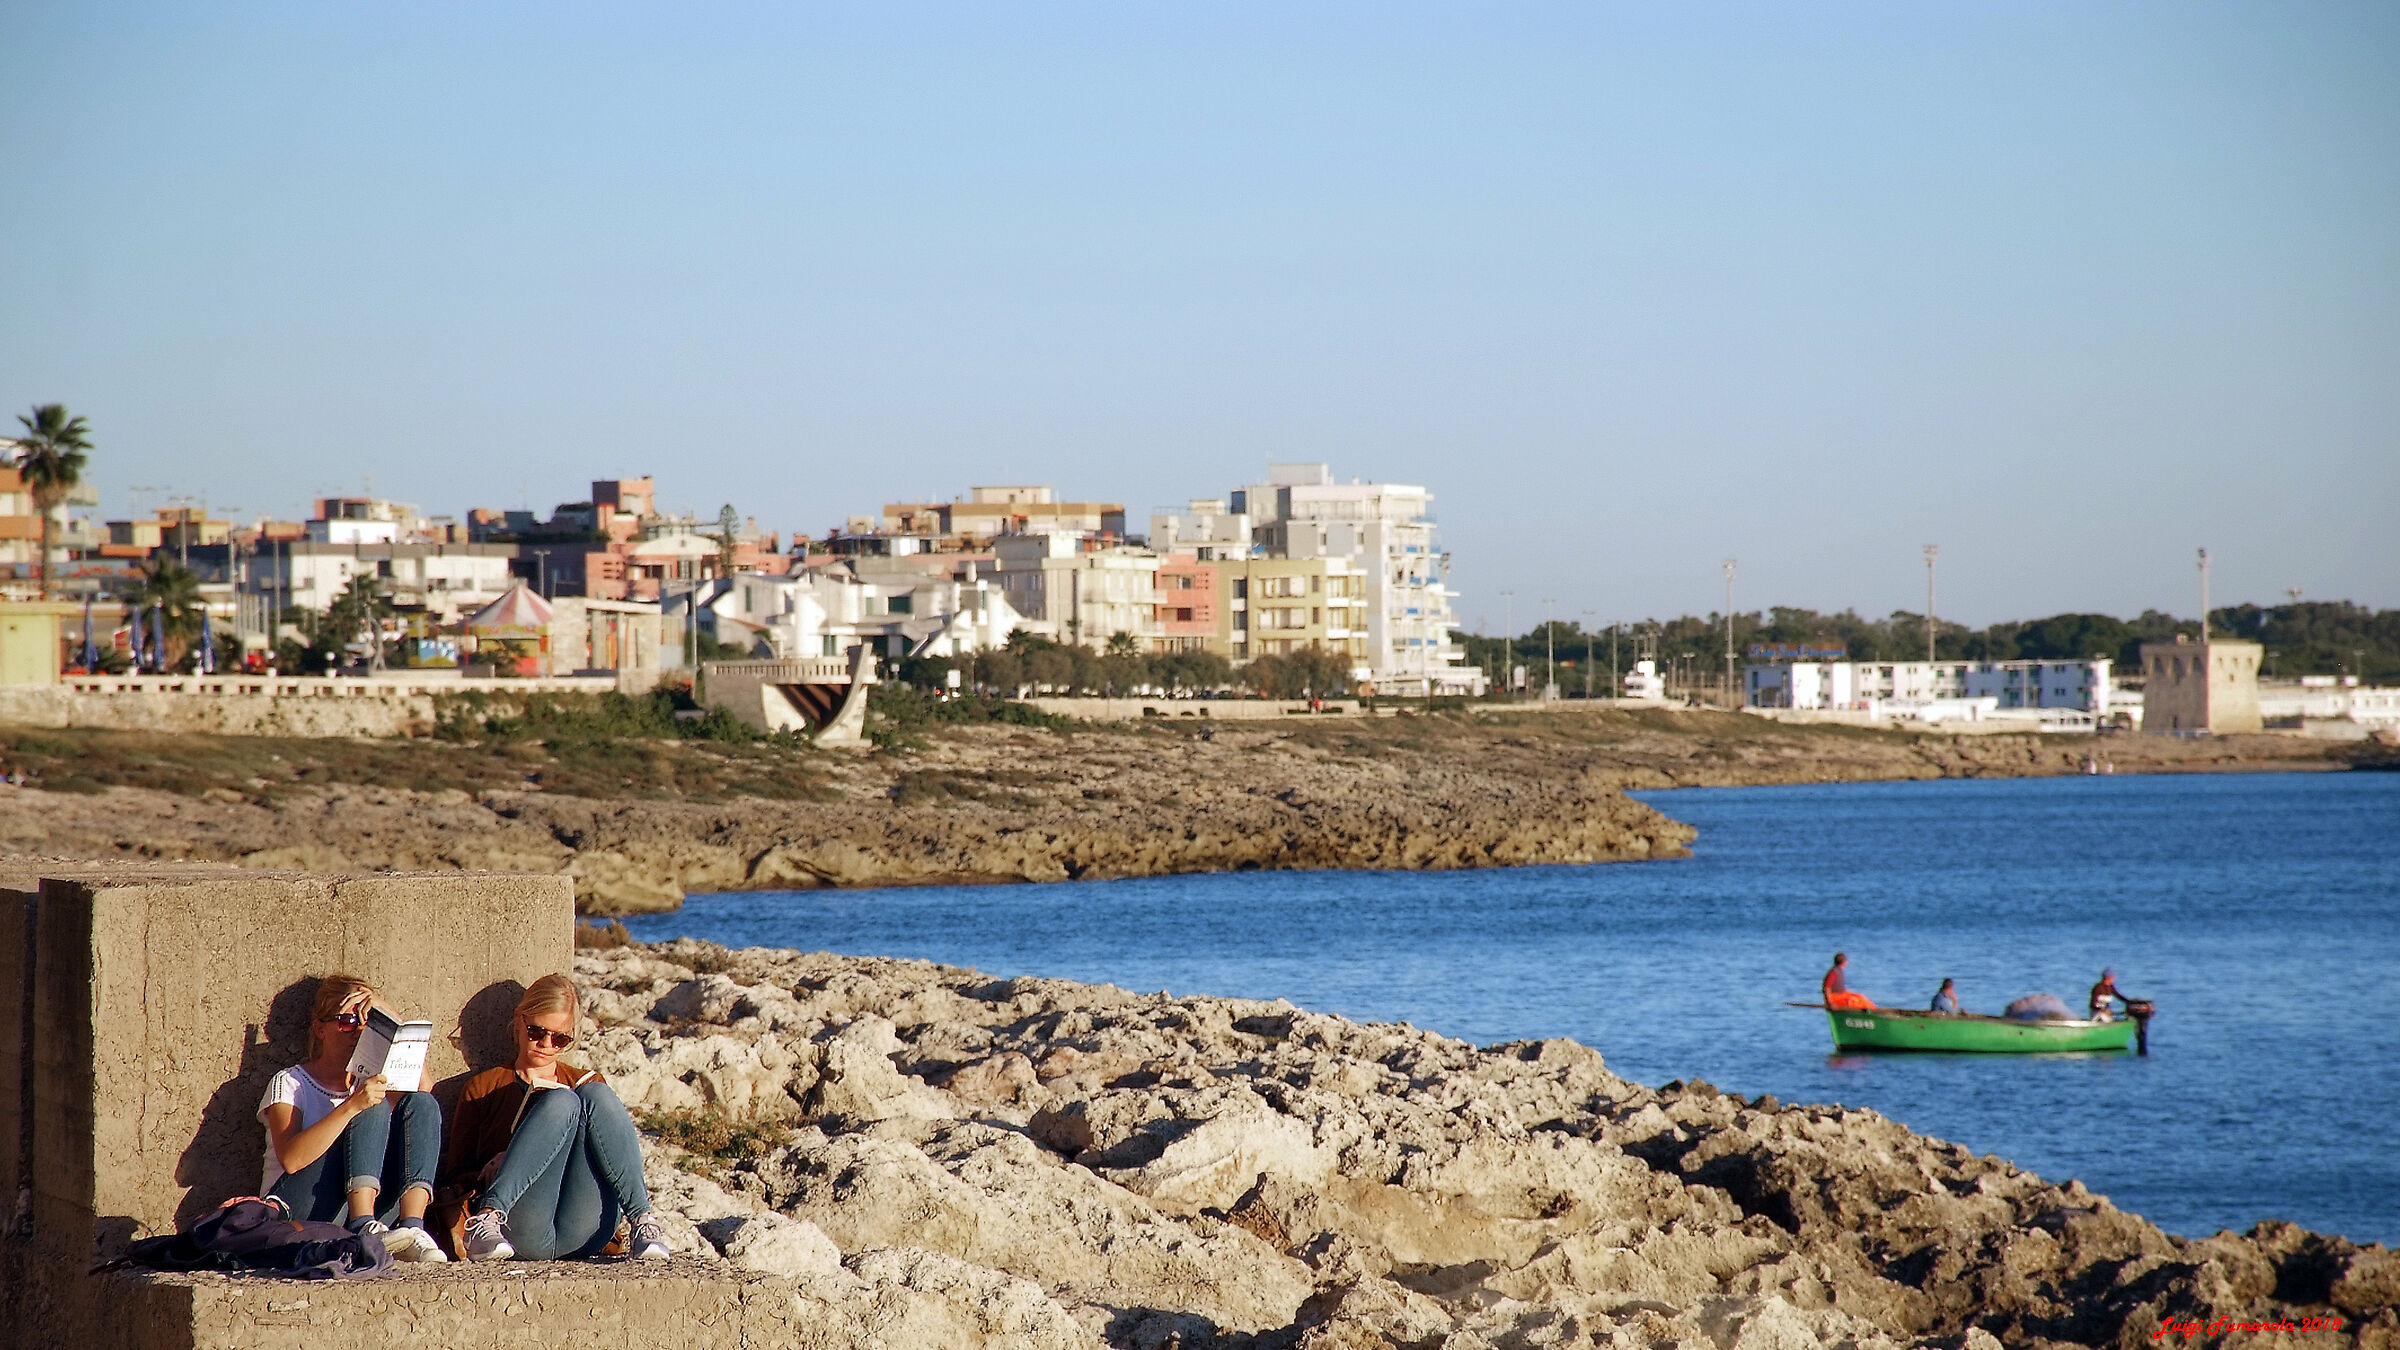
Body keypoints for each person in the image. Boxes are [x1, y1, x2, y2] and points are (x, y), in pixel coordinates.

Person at [437, 974, 668, 1262]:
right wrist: (499, 1164)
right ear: (519, 1020)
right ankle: (488, 1217)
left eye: (560, 1038)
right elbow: (454, 1176)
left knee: (593, 1093)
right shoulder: (483, 1088)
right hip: (518, 1223)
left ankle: (643, 1220)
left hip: (586, 1225)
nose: (546, 1044)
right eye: (536, 1031)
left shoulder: (584, 1081)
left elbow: (609, 1156)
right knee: (561, 1100)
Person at [257, 974, 446, 1261]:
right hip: (298, 1208)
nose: (357, 1031)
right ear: (320, 1029)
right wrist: (351, 1107)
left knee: (422, 1103)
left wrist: (388, 1016)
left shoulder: (365, 1084)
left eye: (367, 1022)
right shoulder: (291, 1082)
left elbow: (423, 1090)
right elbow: (292, 1160)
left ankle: (412, 1227)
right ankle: (362, 1223)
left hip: (348, 1210)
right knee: (374, 1105)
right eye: (346, 1021)